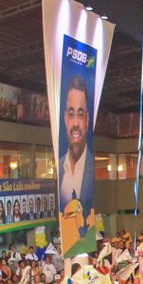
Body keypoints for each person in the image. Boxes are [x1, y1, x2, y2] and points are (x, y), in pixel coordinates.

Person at [57, 76, 94, 218]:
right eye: (71, 114)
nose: (76, 123)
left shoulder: (91, 169)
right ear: (65, 118)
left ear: (87, 119)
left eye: (80, 114)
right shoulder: (58, 169)